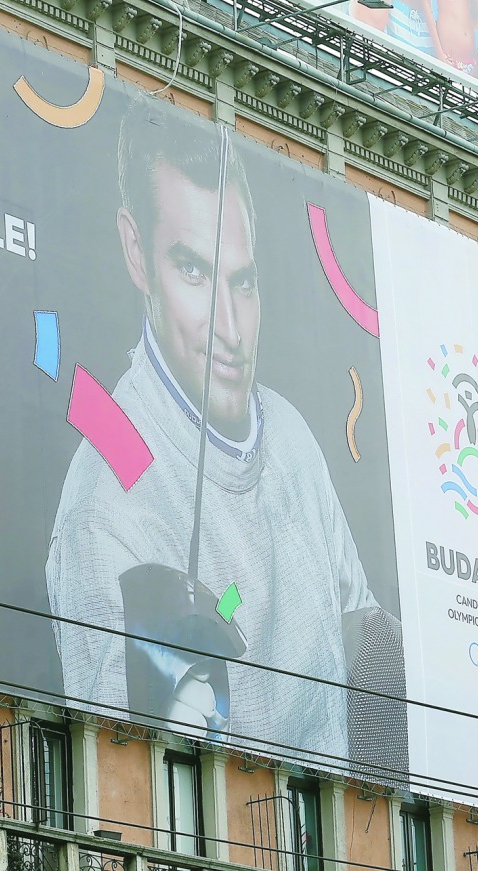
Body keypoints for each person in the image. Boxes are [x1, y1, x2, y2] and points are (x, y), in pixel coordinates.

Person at [45, 102, 401, 766]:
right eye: (193, 271)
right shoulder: (107, 508)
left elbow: (370, 649)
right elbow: (128, 780)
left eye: (243, 281)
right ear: (136, 253)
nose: (231, 330)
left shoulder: (290, 437)